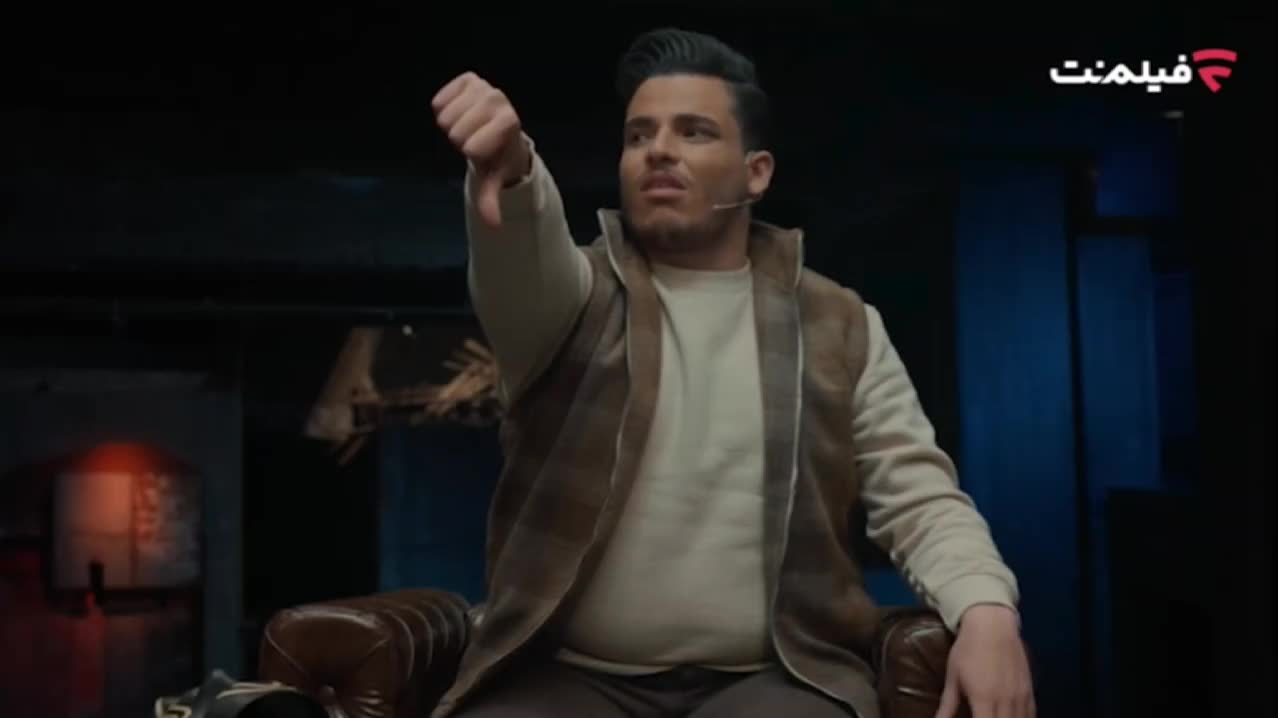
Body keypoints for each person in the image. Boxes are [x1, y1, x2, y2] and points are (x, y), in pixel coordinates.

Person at [427, 27, 1034, 718]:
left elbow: (917, 498)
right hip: (563, 676)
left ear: (757, 173)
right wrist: (513, 168)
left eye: (694, 132)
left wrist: (987, 610)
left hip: (774, 679)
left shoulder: (838, 323)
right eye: (638, 135)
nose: (658, 149)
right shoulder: (572, 300)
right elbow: (521, 256)